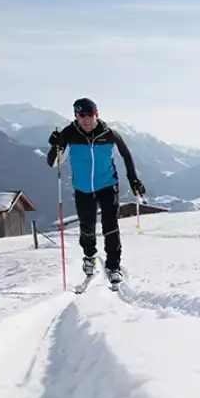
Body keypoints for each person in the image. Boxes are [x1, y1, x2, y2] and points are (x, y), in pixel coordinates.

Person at [46, 97, 146, 284]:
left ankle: (113, 266)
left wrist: (133, 180)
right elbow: (53, 163)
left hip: (107, 185)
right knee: (87, 227)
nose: (86, 119)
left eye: (89, 115)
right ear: (76, 116)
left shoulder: (109, 134)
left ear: (96, 114)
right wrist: (54, 146)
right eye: (81, 115)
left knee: (111, 226)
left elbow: (126, 155)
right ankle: (89, 255)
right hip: (83, 188)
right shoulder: (69, 134)